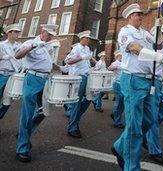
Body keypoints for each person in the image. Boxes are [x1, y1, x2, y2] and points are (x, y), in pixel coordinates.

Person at [111, 4, 163, 170]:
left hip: (148, 80)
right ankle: (131, 166)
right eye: (137, 14)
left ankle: (120, 145)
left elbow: (157, 44)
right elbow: (134, 48)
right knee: (135, 125)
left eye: (141, 14)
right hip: (133, 80)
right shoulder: (125, 32)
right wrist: (155, 55)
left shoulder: (144, 33)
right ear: (129, 17)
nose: (141, 17)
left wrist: (158, 30)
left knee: (150, 119)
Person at [15, 24, 60, 162]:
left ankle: (24, 133)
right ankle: (22, 148)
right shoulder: (31, 42)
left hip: (46, 79)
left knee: (44, 111)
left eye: (52, 35)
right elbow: (18, 55)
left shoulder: (49, 46)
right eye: (49, 34)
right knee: (27, 115)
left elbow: (48, 63)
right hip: (32, 78)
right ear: (43, 31)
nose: (51, 37)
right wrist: (34, 46)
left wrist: (61, 67)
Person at [144, 27, 163, 164]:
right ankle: (154, 150)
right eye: (161, 34)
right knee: (153, 116)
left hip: (162, 82)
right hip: (152, 81)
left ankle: (144, 132)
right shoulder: (149, 46)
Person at [65, 30, 94, 138]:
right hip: (79, 77)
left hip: (87, 76)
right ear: (82, 39)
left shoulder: (87, 49)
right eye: (87, 38)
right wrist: (81, 57)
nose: (89, 40)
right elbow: (68, 61)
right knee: (77, 102)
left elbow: (88, 61)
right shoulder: (76, 48)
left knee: (88, 99)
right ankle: (72, 127)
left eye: (89, 38)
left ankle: (74, 118)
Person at [0, 24, 22, 120]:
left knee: (8, 101)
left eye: (18, 32)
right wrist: (2, 57)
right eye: (15, 32)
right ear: (9, 32)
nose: (18, 34)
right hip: (2, 74)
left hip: (14, 75)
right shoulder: (1, 45)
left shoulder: (20, 46)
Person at [108, 50, 124, 129]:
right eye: (121, 56)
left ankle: (115, 114)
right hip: (117, 84)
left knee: (122, 103)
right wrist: (114, 67)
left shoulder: (124, 63)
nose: (122, 57)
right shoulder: (116, 63)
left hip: (123, 84)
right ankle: (117, 121)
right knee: (119, 102)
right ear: (118, 56)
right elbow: (109, 68)